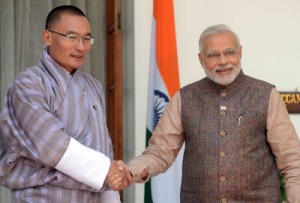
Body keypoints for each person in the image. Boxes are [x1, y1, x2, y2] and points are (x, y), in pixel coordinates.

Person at [120, 24, 300, 202]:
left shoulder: (266, 95)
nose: (223, 61)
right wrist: (131, 171)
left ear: (240, 52)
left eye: (229, 52)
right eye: (213, 55)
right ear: (201, 59)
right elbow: (160, 152)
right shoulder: (185, 98)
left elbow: (292, 160)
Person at [0, 5, 130, 203]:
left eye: (87, 39)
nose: (81, 46)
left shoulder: (93, 86)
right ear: (47, 37)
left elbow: (103, 147)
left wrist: (111, 189)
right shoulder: (28, 84)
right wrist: (107, 169)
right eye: (72, 37)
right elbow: (51, 144)